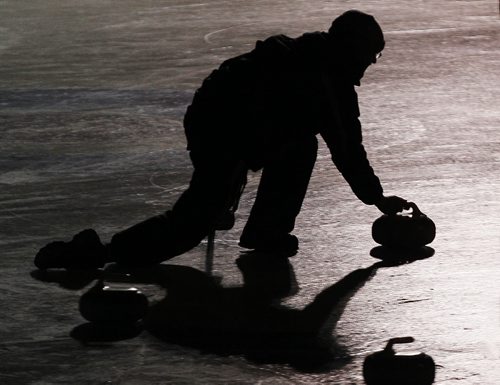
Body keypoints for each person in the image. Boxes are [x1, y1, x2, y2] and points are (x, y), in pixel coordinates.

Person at [35, 10, 409, 270]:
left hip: (223, 119)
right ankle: (98, 251)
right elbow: (346, 148)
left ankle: (266, 230)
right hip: (226, 130)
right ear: (351, 49)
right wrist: (376, 198)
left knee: (301, 146)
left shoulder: (314, 55)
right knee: (193, 224)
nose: (368, 65)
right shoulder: (327, 79)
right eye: (369, 56)